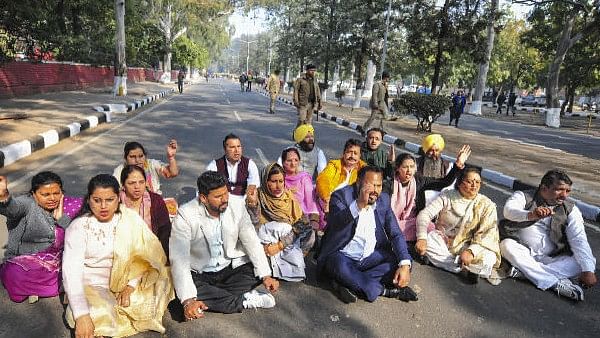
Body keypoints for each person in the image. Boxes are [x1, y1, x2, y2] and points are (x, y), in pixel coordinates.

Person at [63, 174, 173, 337]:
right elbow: (71, 271)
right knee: (93, 313)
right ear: (88, 200)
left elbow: (141, 258)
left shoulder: (129, 219)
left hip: (125, 282)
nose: (103, 206)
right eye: (97, 200)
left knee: (155, 289)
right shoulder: (79, 227)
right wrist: (82, 315)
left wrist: (130, 287)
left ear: (118, 199)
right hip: (92, 285)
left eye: (110, 200)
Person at [169, 171, 280, 318]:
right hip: (201, 274)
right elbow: (179, 259)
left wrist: (266, 276)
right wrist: (188, 300)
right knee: (181, 290)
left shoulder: (236, 205)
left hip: (229, 269)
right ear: (203, 198)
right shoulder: (185, 215)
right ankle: (243, 300)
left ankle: (214, 297)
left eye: (226, 193)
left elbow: (251, 240)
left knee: (261, 263)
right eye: (218, 196)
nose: (225, 199)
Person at [317, 166, 418, 303]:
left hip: (369, 257)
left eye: (378, 185)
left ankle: (347, 282)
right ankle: (384, 291)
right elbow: (336, 223)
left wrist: (405, 265)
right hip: (343, 256)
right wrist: (358, 205)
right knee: (338, 265)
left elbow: (395, 233)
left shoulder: (383, 200)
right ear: (358, 182)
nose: (375, 191)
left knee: (400, 262)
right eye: (370, 185)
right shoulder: (341, 196)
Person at [499, 170, 597, 301]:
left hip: (553, 258)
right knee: (506, 245)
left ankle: (526, 273)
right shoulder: (524, 196)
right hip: (523, 250)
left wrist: (588, 271)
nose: (564, 195)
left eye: (567, 191)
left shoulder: (570, 209)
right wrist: (530, 215)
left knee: (584, 263)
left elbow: (578, 239)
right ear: (544, 188)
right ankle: (556, 284)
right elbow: (508, 211)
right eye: (559, 190)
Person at [0, 172, 82, 303]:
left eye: (56, 193)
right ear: (33, 194)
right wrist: (4, 196)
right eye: (45, 194)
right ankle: (55, 287)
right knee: (14, 274)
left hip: (62, 261)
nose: (52, 198)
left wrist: (62, 219)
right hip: (30, 261)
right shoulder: (27, 204)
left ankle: (45, 288)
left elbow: (80, 235)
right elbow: (12, 209)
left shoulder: (73, 206)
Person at [415, 167, 502, 285]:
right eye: (470, 181)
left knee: (489, 257)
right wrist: (421, 238)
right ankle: (467, 268)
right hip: (444, 243)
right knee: (429, 240)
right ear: (460, 183)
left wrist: (471, 251)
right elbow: (424, 215)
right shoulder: (447, 196)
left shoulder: (486, 205)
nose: (474, 185)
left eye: (477, 182)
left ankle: (454, 264)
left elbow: (488, 234)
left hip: (469, 245)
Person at [246, 163, 317, 281]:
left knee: (311, 235)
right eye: (273, 181)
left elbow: (302, 223)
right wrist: (253, 204)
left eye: (281, 181)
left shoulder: (289, 196)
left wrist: (280, 245)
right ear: (265, 181)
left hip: (286, 240)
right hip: (266, 241)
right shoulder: (258, 196)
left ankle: (289, 262)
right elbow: (255, 224)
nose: (278, 186)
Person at [390, 145, 469, 243]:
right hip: (393, 221)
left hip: (413, 221)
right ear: (397, 168)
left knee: (430, 227)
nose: (409, 171)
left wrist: (458, 165)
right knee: (392, 230)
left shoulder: (419, 181)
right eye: (405, 167)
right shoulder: (390, 184)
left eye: (411, 167)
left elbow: (444, 182)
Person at [119, 165, 172, 258]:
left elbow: (165, 231)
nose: (137, 187)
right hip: (122, 252)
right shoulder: (116, 202)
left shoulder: (156, 200)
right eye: (131, 183)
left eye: (141, 182)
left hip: (152, 252)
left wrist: (165, 258)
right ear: (123, 185)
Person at [316, 139, 366, 217]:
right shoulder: (334, 165)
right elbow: (323, 179)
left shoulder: (363, 168)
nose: (352, 156)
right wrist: (326, 198)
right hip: (331, 201)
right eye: (349, 152)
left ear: (360, 156)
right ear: (344, 153)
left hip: (352, 205)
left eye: (355, 153)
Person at [206, 133, 260, 204]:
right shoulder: (214, 166)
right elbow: (207, 189)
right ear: (225, 149)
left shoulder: (250, 164)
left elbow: (253, 187)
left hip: (243, 204)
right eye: (232, 147)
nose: (237, 150)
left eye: (239, 146)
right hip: (222, 204)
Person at [113, 140, 179, 195]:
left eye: (141, 156)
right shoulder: (120, 171)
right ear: (125, 158)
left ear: (145, 156)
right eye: (132, 157)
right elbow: (113, 191)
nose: (137, 160)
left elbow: (172, 173)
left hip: (154, 203)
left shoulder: (151, 164)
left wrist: (171, 158)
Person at [280, 147, 320, 217]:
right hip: (283, 215)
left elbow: (311, 202)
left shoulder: (304, 178)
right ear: (283, 162)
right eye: (289, 160)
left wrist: (314, 219)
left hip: (303, 216)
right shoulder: (279, 179)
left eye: (296, 160)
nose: (293, 163)